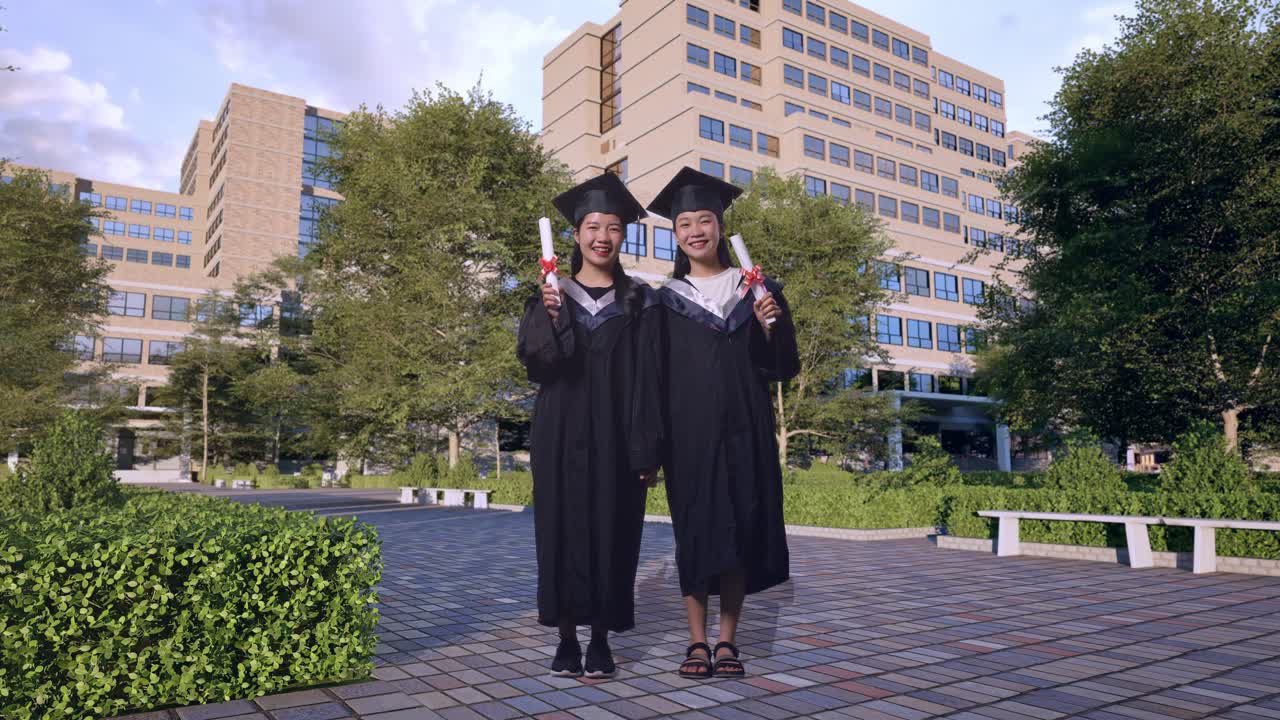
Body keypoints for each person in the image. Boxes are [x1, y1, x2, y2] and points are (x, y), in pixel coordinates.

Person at [647, 167, 800, 679]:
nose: (696, 230)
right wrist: (650, 444)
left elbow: (782, 367)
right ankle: (695, 641)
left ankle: (728, 640)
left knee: (738, 530)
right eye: (684, 222)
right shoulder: (662, 302)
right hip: (688, 437)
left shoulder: (758, 291)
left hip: (745, 430)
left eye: (705, 219)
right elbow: (653, 378)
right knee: (695, 534)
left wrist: (768, 328)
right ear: (675, 234)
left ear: (720, 226)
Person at [516, 172, 663, 679]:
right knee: (560, 530)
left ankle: (600, 635)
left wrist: (648, 447)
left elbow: (651, 378)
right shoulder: (550, 296)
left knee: (614, 529)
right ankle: (564, 636)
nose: (603, 236)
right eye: (593, 226)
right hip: (560, 433)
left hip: (619, 437)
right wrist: (550, 318)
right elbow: (539, 368)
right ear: (575, 235)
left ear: (623, 237)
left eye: (614, 227)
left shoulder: (641, 302)